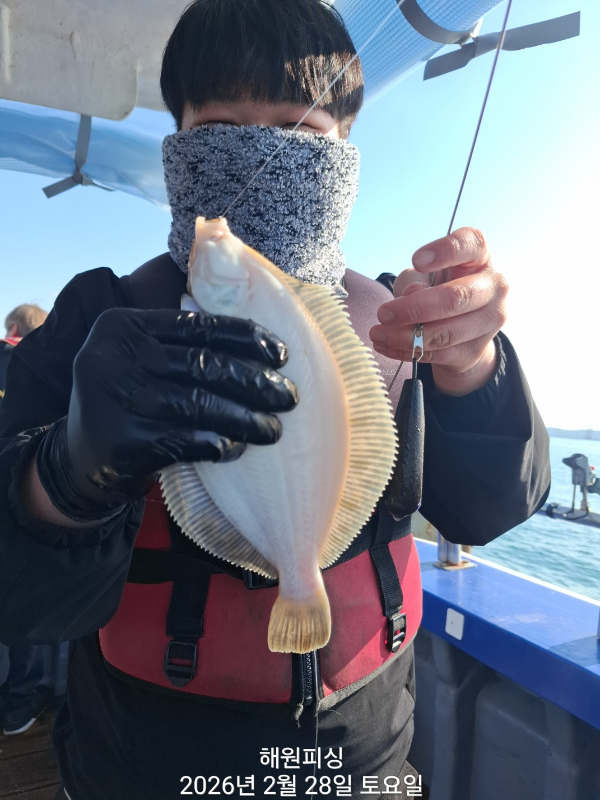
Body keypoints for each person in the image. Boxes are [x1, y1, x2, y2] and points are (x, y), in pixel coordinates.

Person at [0, 1, 550, 797]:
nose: (258, 154)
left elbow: (490, 509)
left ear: (346, 149)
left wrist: (474, 367)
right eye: (220, 126)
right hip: (143, 760)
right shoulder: (100, 318)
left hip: (361, 761)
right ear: (179, 143)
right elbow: (17, 599)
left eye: (299, 131)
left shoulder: (401, 320)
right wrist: (64, 472)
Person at [0, 304, 53, 736]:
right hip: (36, 501)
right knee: (35, 602)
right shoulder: (57, 363)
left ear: (13, 326)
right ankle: (21, 705)